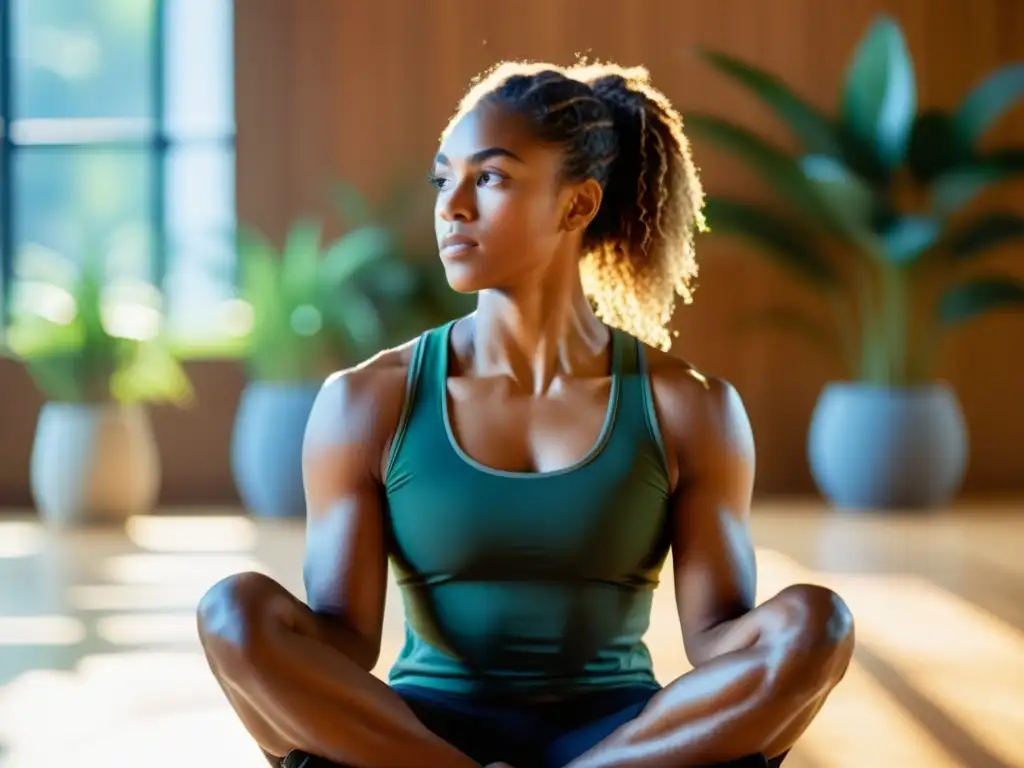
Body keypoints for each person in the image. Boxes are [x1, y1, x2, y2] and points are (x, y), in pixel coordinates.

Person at [197, 60, 855, 768]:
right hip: (418, 743)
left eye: (491, 178)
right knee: (231, 611)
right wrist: (258, 646)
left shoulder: (690, 406)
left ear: (576, 206)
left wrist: (797, 643)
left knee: (818, 622)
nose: (452, 206)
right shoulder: (369, 400)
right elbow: (345, 642)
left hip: (622, 740)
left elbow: (716, 640)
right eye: (443, 178)